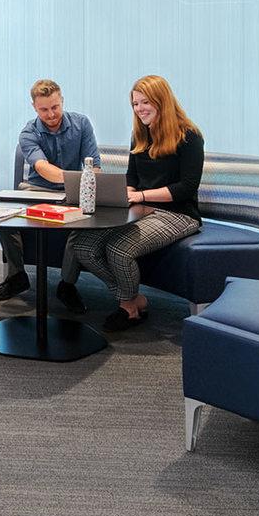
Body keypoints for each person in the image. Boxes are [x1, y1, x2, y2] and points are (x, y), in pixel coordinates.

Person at [71, 75, 204, 333]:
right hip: (142, 210)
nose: (139, 108)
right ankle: (131, 299)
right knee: (83, 246)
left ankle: (128, 309)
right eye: (135, 103)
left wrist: (140, 196)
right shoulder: (140, 135)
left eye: (145, 102)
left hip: (178, 214)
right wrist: (123, 195)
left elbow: (187, 188)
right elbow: (132, 177)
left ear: (161, 101)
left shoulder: (189, 136)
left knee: (119, 249)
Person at [0, 79, 98, 312]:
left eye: (55, 107)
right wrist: (79, 178)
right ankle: (17, 276)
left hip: (72, 192)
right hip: (36, 190)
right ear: (34, 107)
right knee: (4, 217)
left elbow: (94, 167)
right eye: (44, 109)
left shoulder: (82, 124)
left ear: (62, 101)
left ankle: (67, 285)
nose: (51, 114)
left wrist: (80, 185)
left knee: (83, 224)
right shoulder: (28, 132)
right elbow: (42, 168)